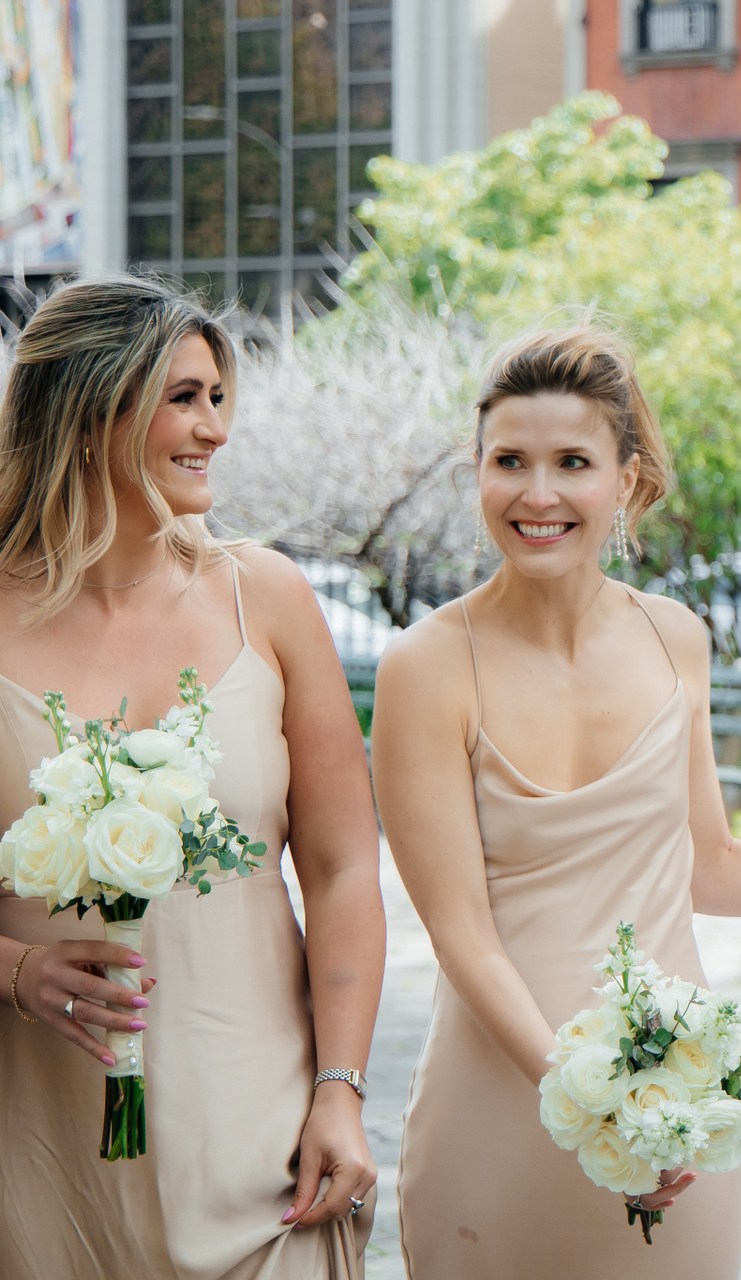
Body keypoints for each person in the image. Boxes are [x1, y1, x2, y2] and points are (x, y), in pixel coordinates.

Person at [376, 327, 741, 1280]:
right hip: (500, 1106)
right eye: (509, 462)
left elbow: (712, 866)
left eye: (573, 462)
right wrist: (589, 1104)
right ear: (477, 474)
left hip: (673, 1107)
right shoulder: (426, 666)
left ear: (626, 479)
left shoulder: (675, 638)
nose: (538, 494)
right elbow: (461, 932)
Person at [0, 277, 384, 1278]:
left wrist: (340, 1088)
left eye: (218, 397)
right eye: (184, 398)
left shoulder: (269, 597)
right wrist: (17, 968)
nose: (215, 427)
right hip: (37, 1146)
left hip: (260, 1142)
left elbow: (343, 867)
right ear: (89, 411)